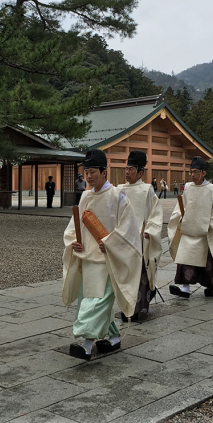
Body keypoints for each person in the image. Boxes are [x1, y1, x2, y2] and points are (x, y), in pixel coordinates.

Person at [62, 149, 142, 360]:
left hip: (107, 259)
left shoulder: (118, 197)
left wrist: (111, 244)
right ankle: (113, 337)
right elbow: (74, 225)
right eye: (86, 172)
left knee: (96, 302)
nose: (88, 177)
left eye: (93, 172)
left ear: (104, 172)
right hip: (87, 259)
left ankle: (87, 345)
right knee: (90, 300)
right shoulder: (85, 196)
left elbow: (128, 229)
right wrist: (74, 242)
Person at [167, 156, 213, 299]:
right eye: (191, 172)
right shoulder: (188, 188)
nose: (192, 175)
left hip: (205, 231)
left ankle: (210, 287)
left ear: (203, 173)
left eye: (196, 172)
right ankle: (185, 288)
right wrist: (180, 216)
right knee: (185, 259)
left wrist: (212, 224)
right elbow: (181, 207)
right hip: (188, 229)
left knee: (207, 263)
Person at [116, 151, 163, 322]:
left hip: (140, 238)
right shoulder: (119, 189)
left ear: (140, 172)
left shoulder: (147, 190)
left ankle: (137, 308)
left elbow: (155, 214)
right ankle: (124, 305)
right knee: (124, 273)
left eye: (131, 169)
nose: (127, 172)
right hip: (123, 238)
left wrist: (150, 230)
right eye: (126, 168)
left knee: (140, 274)